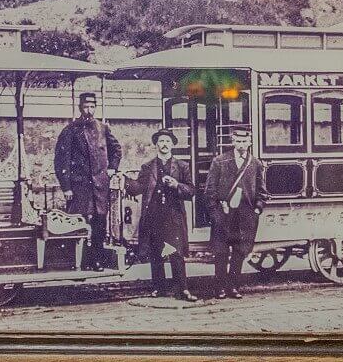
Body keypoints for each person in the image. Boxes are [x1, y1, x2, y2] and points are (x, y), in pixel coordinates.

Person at [126, 129, 197, 302]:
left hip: (173, 217)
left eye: (167, 141)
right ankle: (159, 288)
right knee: (156, 254)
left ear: (172, 145)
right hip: (154, 216)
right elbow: (138, 188)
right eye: (161, 141)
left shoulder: (182, 166)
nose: (164, 144)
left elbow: (191, 191)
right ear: (156, 145)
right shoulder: (148, 167)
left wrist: (176, 185)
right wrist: (125, 181)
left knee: (176, 254)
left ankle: (183, 289)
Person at [53, 92, 122, 270]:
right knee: (79, 223)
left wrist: (112, 168)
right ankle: (79, 261)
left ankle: (97, 260)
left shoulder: (103, 128)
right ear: (80, 108)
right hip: (79, 187)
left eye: (92, 107)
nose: (89, 110)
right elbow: (62, 160)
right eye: (86, 107)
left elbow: (116, 150)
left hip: (100, 187)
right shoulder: (70, 130)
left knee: (99, 223)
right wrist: (66, 187)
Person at [203, 126, 266, 299]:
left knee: (239, 252)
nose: (241, 144)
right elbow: (209, 190)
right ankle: (219, 288)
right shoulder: (220, 161)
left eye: (245, 141)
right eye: (238, 141)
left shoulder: (255, 163)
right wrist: (215, 213)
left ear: (250, 142)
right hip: (223, 214)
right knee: (221, 252)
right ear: (232, 141)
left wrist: (257, 209)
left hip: (245, 216)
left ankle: (233, 287)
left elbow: (262, 191)